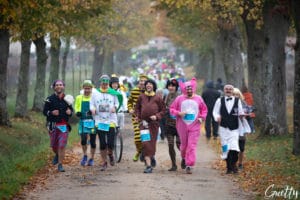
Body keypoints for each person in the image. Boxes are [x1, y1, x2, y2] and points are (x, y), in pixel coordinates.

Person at [170, 78, 207, 174]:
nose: (189, 90)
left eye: (190, 89)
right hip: (182, 125)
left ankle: (189, 165)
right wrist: (179, 113)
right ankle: (184, 157)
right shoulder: (179, 98)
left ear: (193, 89)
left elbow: (204, 110)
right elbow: (172, 109)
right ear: (184, 89)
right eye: (187, 89)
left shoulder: (199, 98)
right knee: (183, 146)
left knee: (191, 145)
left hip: (195, 125)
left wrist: (202, 117)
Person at [90, 75, 123, 171]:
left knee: (111, 143)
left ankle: (111, 154)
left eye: (106, 83)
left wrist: (115, 108)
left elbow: (117, 103)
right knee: (103, 143)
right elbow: (91, 104)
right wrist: (92, 109)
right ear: (100, 83)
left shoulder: (113, 93)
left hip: (111, 120)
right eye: (103, 83)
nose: (104, 85)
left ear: (108, 83)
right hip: (100, 120)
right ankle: (104, 161)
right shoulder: (95, 93)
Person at [135, 79, 166, 173]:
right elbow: (137, 108)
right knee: (145, 143)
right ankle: (148, 166)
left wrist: (156, 116)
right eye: (147, 84)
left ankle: (151, 155)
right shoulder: (141, 97)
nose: (148, 85)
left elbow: (163, 110)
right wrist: (137, 116)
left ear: (153, 86)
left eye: (150, 84)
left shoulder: (158, 98)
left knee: (151, 143)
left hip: (154, 125)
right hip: (143, 124)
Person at [212, 84, 244, 174]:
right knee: (226, 148)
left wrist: (242, 115)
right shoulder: (219, 100)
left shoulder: (237, 101)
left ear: (232, 90)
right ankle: (229, 167)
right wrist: (217, 117)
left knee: (234, 148)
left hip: (234, 128)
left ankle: (233, 165)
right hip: (223, 128)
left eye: (230, 89)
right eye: (227, 89)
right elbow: (215, 112)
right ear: (224, 90)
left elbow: (240, 111)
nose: (228, 90)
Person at [43, 80, 74, 172]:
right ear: (54, 87)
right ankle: (57, 154)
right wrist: (51, 113)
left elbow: (71, 111)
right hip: (52, 125)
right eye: (57, 85)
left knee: (62, 145)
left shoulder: (67, 99)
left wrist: (70, 112)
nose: (59, 86)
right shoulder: (49, 99)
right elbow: (45, 112)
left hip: (64, 125)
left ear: (63, 86)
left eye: (60, 85)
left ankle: (60, 164)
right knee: (54, 146)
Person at [127, 74, 148, 162]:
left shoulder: (149, 92)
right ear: (138, 82)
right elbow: (129, 102)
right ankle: (139, 151)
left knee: (145, 137)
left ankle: (146, 156)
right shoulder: (134, 91)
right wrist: (130, 109)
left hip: (146, 118)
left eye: (144, 81)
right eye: (141, 81)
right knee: (137, 138)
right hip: (136, 117)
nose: (142, 83)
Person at [74, 80, 96, 166]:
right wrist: (78, 111)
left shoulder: (94, 97)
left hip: (93, 121)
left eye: (89, 88)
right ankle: (85, 155)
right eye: (85, 88)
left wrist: (95, 111)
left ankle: (92, 158)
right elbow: (76, 106)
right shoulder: (79, 97)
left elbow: (96, 106)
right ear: (83, 88)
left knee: (93, 142)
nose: (87, 90)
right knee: (83, 140)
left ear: (91, 89)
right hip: (83, 121)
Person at [164, 78, 181, 171]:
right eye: (169, 86)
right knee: (170, 145)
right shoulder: (166, 96)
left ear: (176, 87)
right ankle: (174, 165)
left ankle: (184, 159)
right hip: (169, 124)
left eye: (173, 86)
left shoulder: (181, 97)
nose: (171, 87)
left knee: (179, 145)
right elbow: (163, 108)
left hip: (179, 125)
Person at [233, 88, 251, 170]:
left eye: (237, 94)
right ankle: (233, 163)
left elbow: (248, 112)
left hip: (242, 128)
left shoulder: (243, 103)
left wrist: (245, 114)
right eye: (234, 94)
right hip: (232, 128)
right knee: (233, 147)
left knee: (241, 148)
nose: (235, 96)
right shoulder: (229, 104)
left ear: (239, 95)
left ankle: (240, 163)